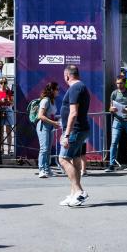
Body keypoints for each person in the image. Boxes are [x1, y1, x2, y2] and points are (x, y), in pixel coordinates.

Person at [58, 65, 91, 207]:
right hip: (79, 129)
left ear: (67, 76)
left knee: (63, 159)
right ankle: (73, 194)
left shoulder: (75, 88)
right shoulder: (80, 87)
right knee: (76, 158)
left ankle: (79, 191)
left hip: (75, 130)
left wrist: (66, 134)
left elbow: (73, 113)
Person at [106, 77, 127, 172]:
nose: (119, 85)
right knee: (114, 142)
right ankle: (111, 164)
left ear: (125, 83)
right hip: (117, 120)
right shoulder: (114, 93)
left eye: (120, 83)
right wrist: (112, 109)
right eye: (117, 83)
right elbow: (110, 108)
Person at [36, 82, 59, 178]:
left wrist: (57, 119)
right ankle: (41, 170)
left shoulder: (52, 100)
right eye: (57, 89)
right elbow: (40, 116)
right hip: (43, 126)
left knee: (48, 149)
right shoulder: (45, 100)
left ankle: (47, 169)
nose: (58, 91)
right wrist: (53, 123)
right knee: (44, 149)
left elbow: (51, 114)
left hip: (50, 126)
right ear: (52, 90)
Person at [0, 77, 14, 155]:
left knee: (9, 131)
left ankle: (9, 149)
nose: (3, 84)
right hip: (0, 111)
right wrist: (1, 100)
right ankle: (1, 148)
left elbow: (12, 102)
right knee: (1, 131)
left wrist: (8, 100)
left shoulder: (9, 92)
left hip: (8, 110)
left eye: (5, 82)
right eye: (1, 83)